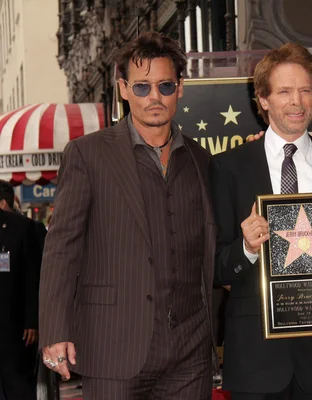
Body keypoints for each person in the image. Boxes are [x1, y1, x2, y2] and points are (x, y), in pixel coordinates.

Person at [38, 32, 216, 399]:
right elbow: (61, 247)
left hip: (190, 349)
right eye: (142, 87)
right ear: (122, 89)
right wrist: (54, 329)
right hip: (113, 343)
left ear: (180, 88)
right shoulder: (88, 155)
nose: (154, 97)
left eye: (165, 85)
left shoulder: (201, 160)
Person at [210, 42, 312, 400]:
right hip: (256, 361)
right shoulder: (228, 168)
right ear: (263, 99)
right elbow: (217, 269)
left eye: (305, 91)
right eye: (284, 91)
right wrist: (247, 249)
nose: (296, 102)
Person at [0, 181, 40, 400]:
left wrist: (32, 320)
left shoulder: (21, 227)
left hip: (15, 328)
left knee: (17, 385)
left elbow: (32, 276)